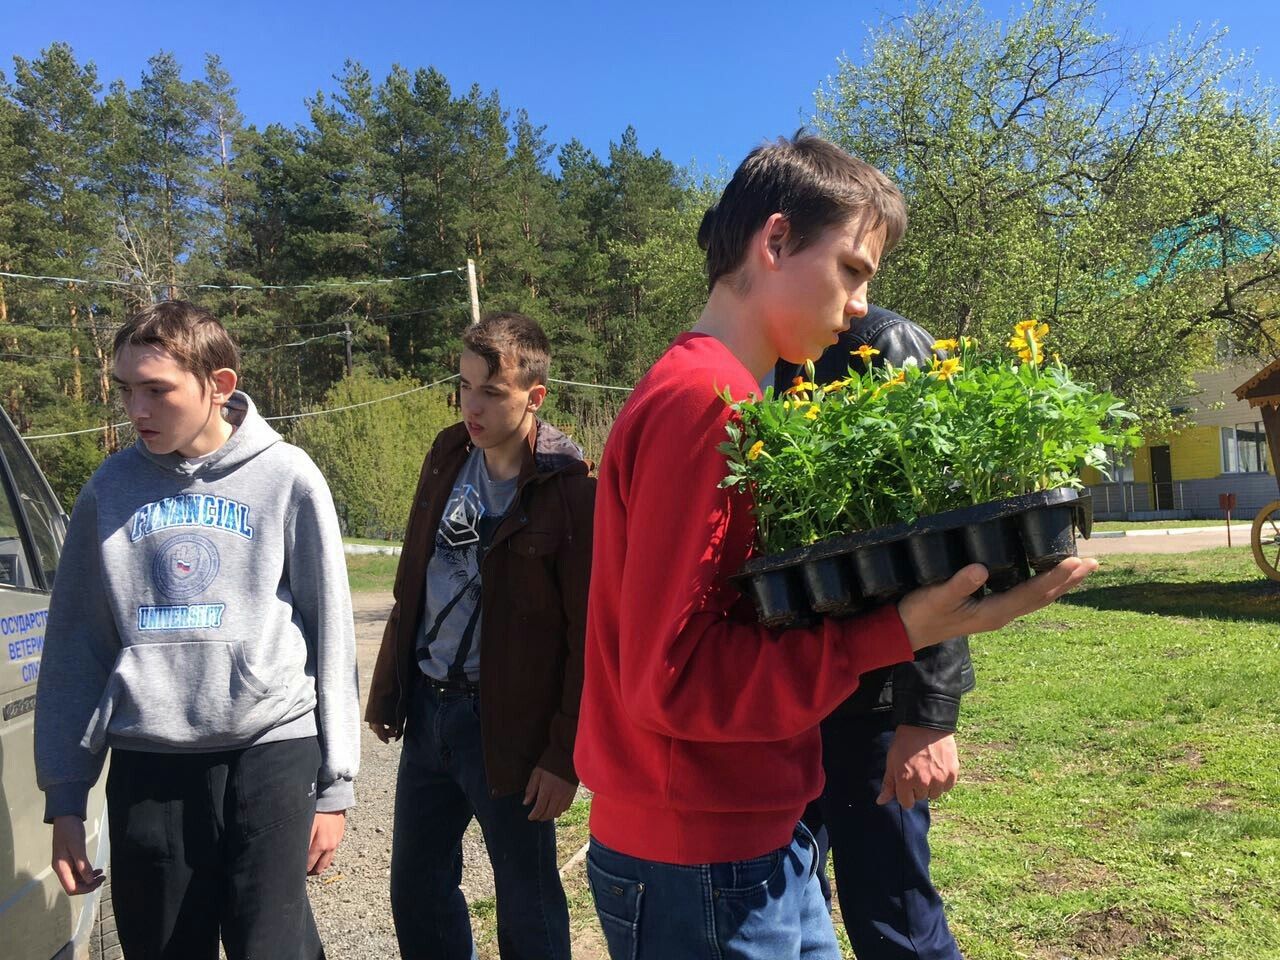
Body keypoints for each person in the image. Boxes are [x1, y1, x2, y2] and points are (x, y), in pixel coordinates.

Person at [573, 133, 1097, 960]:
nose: (861, 306)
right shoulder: (706, 405)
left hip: (750, 840)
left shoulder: (731, 394)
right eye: (852, 270)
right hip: (703, 859)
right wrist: (899, 630)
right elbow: (674, 682)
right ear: (774, 241)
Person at [35, 299, 359, 960]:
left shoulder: (287, 477)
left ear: (219, 387)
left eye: (157, 390)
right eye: (126, 390)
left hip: (270, 752)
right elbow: (77, 648)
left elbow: (333, 636)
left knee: (270, 950)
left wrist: (335, 787)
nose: (136, 410)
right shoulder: (108, 491)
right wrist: (66, 795)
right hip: (151, 765)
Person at [365, 311, 594, 960]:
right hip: (430, 710)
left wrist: (562, 753)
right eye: (464, 386)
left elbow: (587, 635)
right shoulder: (445, 455)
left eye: (492, 392)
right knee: (417, 890)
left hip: (509, 727)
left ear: (534, 397)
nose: (473, 404)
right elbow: (414, 579)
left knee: (526, 900)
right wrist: (390, 690)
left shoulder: (568, 491)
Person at [777, 306, 971, 959]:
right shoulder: (754, 363)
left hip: (874, 704)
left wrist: (928, 715)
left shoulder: (883, 344)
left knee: (895, 924)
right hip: (784, 695)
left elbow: (942, 534)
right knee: (788, 907)